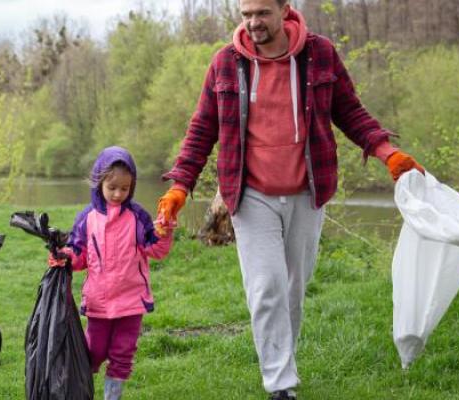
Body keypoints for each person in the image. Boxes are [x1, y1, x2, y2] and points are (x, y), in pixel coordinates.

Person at [155, 1, 424, 399]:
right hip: (250, 195)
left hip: (307, 190)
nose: (252, 22)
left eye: (262, 13)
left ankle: (284, 358)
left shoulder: (320, 53)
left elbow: (349, 111)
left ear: (284, 11)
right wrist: (179, 186)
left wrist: (387, 153)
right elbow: (201, 129)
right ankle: (280, 384)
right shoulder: (225, 64)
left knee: (293, 289)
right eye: (246, 14)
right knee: (267, 286)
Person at [49, 146, 175, 400]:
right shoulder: (87, 218)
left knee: (122, 354)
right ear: (99, 183)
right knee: (93, 352)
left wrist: (164, 232)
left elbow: (155, 249)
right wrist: (64, 257)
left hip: (131, 301)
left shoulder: (138, 216)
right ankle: (81, 390)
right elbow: (79, 255)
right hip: (99, 301)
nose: (118, 194)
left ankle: (112, 397)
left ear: (132, 187)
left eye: (125, 189)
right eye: (112, 187)